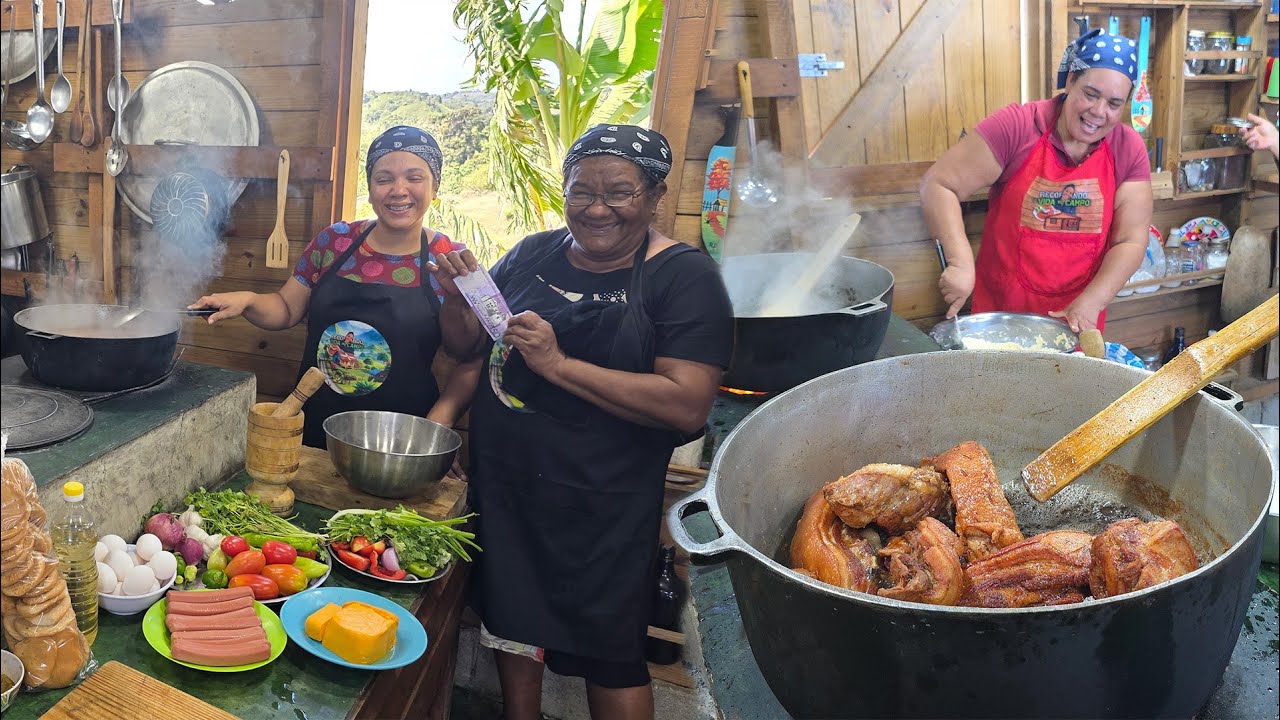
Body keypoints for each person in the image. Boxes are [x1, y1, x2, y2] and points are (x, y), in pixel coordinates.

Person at [432, 124, 734, 720]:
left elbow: (685, 404)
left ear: (655, 197)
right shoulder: (532, 252)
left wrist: (557, 365)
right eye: (581, 192)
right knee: (508, 618)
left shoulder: (685, 279)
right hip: (510, 483)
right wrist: (456, 296)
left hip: (602, 501)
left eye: (619, 192)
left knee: (609, 651)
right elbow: (471, 344)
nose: (597, 209)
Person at [193, 126, 471, 448]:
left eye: (414, 177)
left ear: (435, 187)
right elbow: (286, 308)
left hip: (400, 437)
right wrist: (249, 300)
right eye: (384, 179)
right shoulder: (336, 241)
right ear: (369, 188)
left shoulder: (450, 260)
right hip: (315, 424)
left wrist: (457, 301)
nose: (399, 190)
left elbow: (465, 350)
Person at [921, 29, 1154, 333]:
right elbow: (938, 185)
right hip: (1001, 323)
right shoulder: (1017, 127)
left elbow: (1131, 240)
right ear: (1070, 81)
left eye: (1114, 103)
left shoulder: (1128, 148)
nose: (1099, 112)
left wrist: (1092, 303)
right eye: (1090, 94)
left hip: (1075, 325)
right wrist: (960, 263)